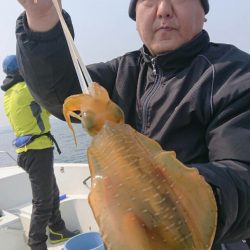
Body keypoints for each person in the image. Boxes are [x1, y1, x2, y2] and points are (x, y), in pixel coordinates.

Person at [15, 0, 250, 249]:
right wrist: (42, 16)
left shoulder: (235, 75)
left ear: (204, 12)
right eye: (149, 2)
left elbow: (242, 174)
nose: (163, 10)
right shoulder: (124, 71)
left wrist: (173, 199)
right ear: (136, 20)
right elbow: (61, 91)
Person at [1, 55, 79, 250]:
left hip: (31, 151)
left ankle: (57, 229)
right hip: (37, 151)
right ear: (21, 70)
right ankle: (36, 244)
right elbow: (49, 92)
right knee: (43, 201)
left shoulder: (10, 93)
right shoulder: (26, 90)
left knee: (52, 192)